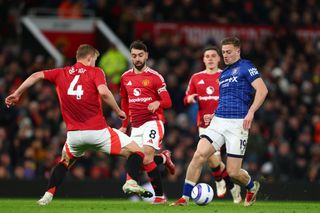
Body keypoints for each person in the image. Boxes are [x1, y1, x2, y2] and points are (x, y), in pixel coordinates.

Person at [5, 44, 152, 205]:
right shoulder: (95, 72)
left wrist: (17, 93)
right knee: (137, 151)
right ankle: (131, 181)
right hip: (99, 132)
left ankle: (47, 196)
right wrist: (117, 110)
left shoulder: (60, 72)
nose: (95, 63)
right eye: (95, 60)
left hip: (74, 135)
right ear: (89, 58)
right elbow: (103, 92)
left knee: (64, 162)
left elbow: (35, 76)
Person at [171, 37, 268, 206]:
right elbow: (224, 99)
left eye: (229, 52)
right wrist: (213, 115)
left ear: (238, 51)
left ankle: (252, 187)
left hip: (238, 123)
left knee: (232, 172)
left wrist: (251, 112)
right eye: (223, 52)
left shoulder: (246, 66)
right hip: (218, 121)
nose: (226, 56)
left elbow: (262, 89)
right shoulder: (223, 74)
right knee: (199, 155)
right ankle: (184, 198)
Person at [184, 46, 241, 203]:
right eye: (207, 56)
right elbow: (187, 97)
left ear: (218, 59)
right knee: (211, 159)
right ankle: (231, 186)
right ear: (203, 59)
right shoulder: (196, 78)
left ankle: (222, 181)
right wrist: (190, 99)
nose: (210, 58)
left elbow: (233, 98)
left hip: (224, 123)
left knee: (210, 157)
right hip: (204, 124)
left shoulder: (226, 75)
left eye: (213, 56)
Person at [119, 40, 174, 204]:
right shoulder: (125, 77)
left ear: (146, 56)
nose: (137, 59)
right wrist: (124, 125)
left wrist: (158, 102)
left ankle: (156, 195)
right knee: (140, 160)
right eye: (134, 55)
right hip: (135, 125)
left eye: (140, 55)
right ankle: (164, 159)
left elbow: (168, 101)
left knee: (147, 156)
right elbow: (125, 101)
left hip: (153, 121)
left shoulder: (155, 77)